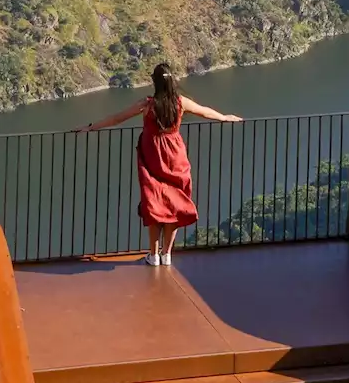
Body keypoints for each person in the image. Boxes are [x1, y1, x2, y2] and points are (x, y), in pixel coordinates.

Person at [75, 63, 242, 266]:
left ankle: (153, 255)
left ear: (154, 82)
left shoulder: (147, 104)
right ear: (173, 81)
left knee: (154, 203)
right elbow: (205, 112)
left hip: (152, 155)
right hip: (175, 154)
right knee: (176, 203)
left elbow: (116, 118)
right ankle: (167, 254)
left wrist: (90, 127)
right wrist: (224, 117)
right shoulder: (180, 102)